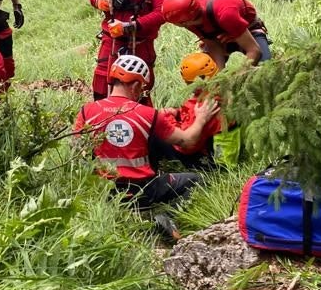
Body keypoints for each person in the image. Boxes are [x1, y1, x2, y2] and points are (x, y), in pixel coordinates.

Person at [73, 54, 219, 211]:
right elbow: (187, 141)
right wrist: (201, 119)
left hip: (104, 191)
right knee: (198, 180)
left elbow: (76, 149)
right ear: (136, 85)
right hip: (144, 191)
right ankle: (170, 218)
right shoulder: (149, 115)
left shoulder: (86, 111)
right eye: (142, 87)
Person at [150, 52, 235, 169]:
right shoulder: (225, 92)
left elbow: (186, 146)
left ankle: (153, 167)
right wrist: (178, 112)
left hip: (209, 163)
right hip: (227, 152)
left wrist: (167, 117)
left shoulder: (198, 105)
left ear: (189, 82)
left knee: (154, 131)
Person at [162, 0, 271, 70]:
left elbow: (254, 50)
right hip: (219, 38)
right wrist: (219, 80)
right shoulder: (190, 20)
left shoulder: (225, 13)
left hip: (248, 30)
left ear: (182, 22)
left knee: (266, 69)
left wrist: (238, 78)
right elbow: (213, 46)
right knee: (204, 70)